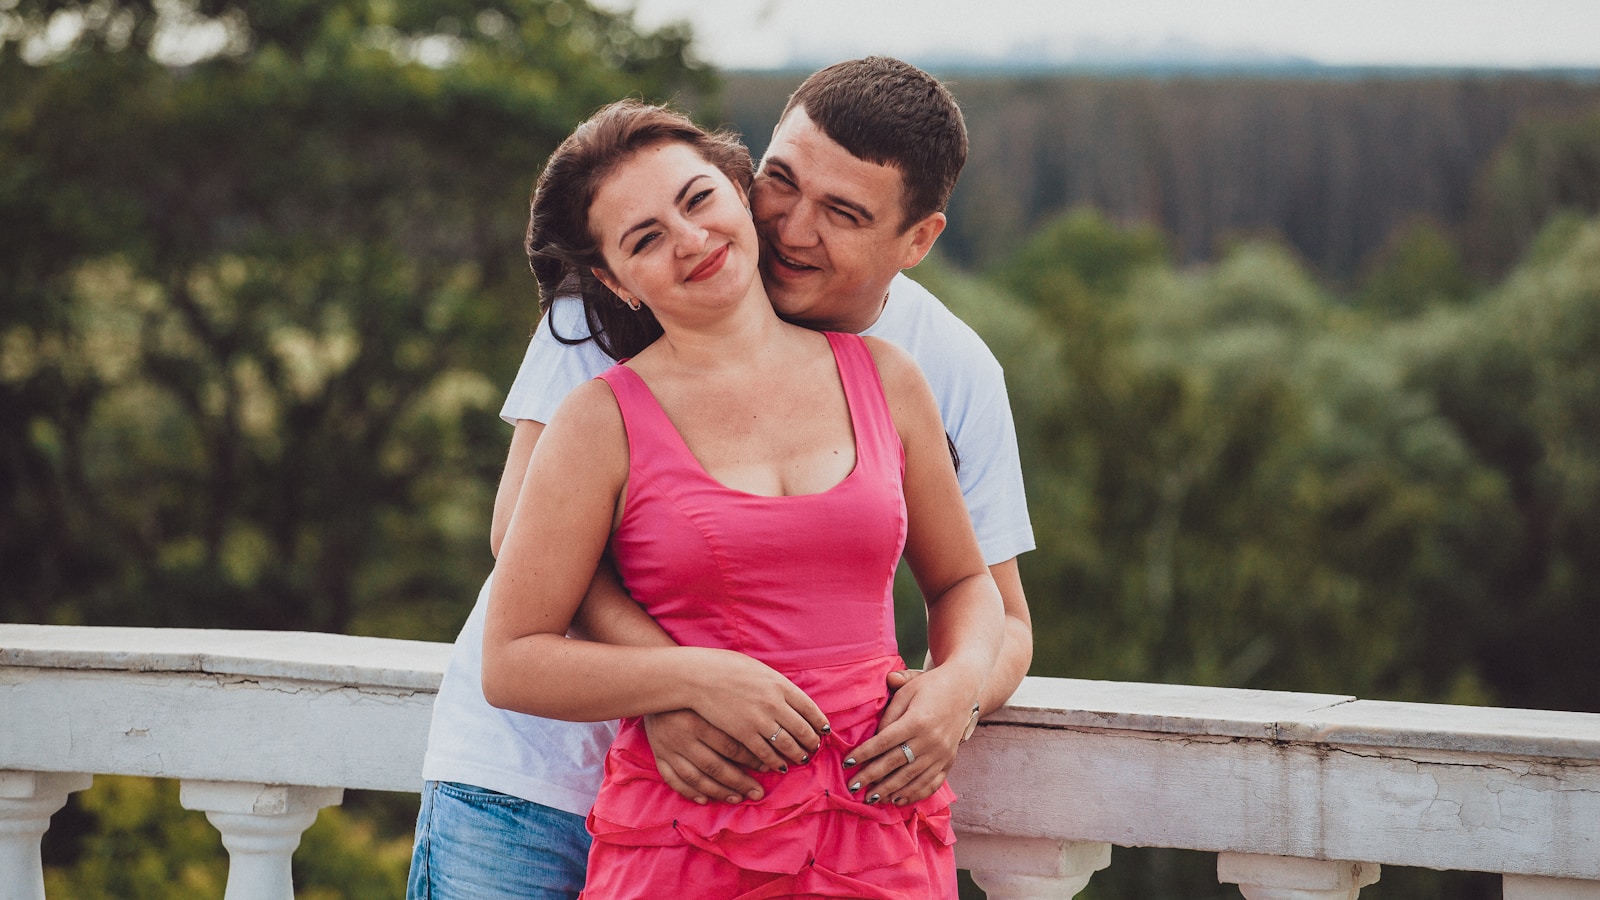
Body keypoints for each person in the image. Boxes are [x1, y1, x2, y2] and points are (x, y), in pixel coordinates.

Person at [409, 57, 1036, 898]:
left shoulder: (936, 368)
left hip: (840, 824)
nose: (790, 227)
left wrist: (951, 698)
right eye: (779, 181)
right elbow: (518, 537)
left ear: (917, 239)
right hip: (533, 781)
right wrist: (678, 684)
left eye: (843, 212)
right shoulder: (610, 304)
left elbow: (991, 600)